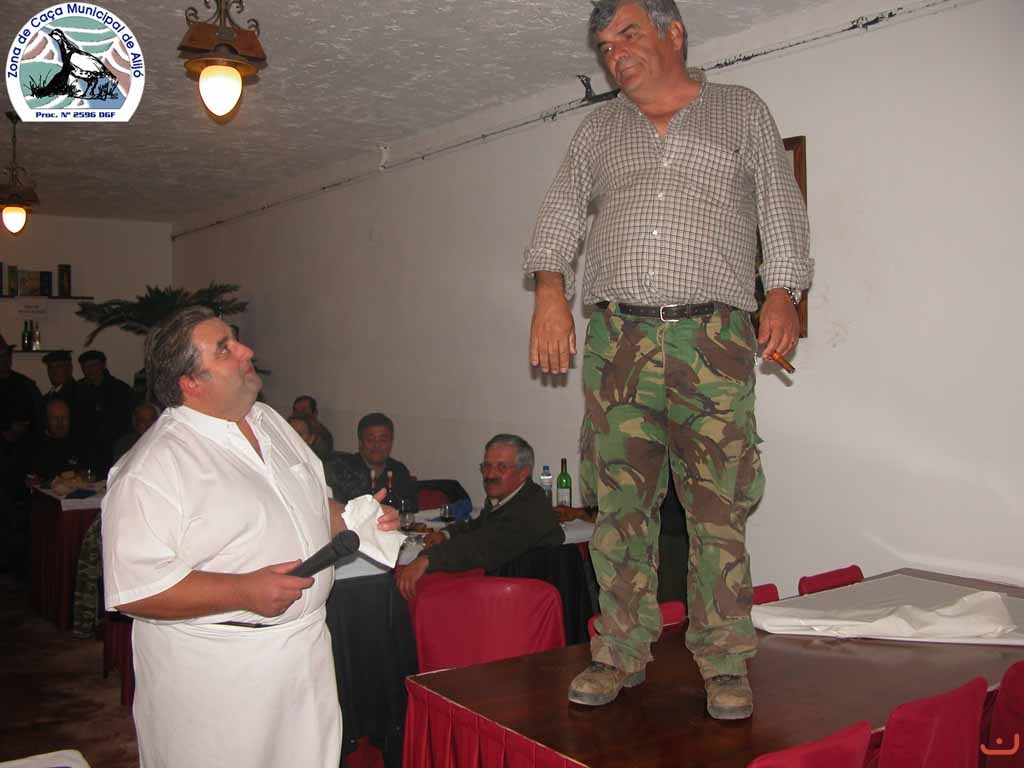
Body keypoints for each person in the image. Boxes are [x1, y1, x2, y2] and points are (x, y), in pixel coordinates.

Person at [523, 0, 812, 719]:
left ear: (672, 33)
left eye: (627, 34)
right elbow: (560, 212)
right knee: (619, 510)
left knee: (718, 510)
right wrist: (550, 292)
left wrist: (782, 292)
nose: (613, 52)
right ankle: (618, 652)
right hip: (618, 341)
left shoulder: (740, 110)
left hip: (713, 339)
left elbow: (780, 207)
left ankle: (725, 661)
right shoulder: (599, 130)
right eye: (603, 44)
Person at [101, 306, 398, 768]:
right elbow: (136, 589)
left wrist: (359, 519)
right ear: (189, 382)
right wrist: (243, 591)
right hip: (218, 675)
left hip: (304, 656)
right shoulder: (151, 468)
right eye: (224, 348)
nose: (246, 351)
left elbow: (311, 504)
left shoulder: (269, 422)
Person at [397, 434, 564, 600]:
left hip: (522, 600)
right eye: (487, 466)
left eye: (501, 467)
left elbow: (481, 546)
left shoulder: (529, 509)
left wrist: (428, 560)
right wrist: (446, 534)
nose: (490, 475)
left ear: (523, 473)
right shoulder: (510, 499)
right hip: (508, 589)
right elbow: (480, 526)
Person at [0, 334, 42, 576]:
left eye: (6, 355)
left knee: (19, 520)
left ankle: (18, 571)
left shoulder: (26, 386)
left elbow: (39, 424)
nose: (3, 360)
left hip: (20, 465)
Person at [324, 412, 418, 511]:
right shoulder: (344, 471)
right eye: (370, 440)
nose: (376, 445)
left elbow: (410, 510)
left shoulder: (399, 471)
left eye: (382, 440)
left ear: (391, 442)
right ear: (360, 443)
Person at [73, 349, 134, 478]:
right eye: (85, 367)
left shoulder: (120, 389)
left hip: (113, 451)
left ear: (103, 365)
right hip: (85, 452)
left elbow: (127, 424)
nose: (90, 370)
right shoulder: (77, 390)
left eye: (93, 365)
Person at [30, 398, 80, 480]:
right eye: (55, 418)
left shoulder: (79, 443)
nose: (60, 423)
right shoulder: (35, 448)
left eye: (64, 418)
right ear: (46, 421)